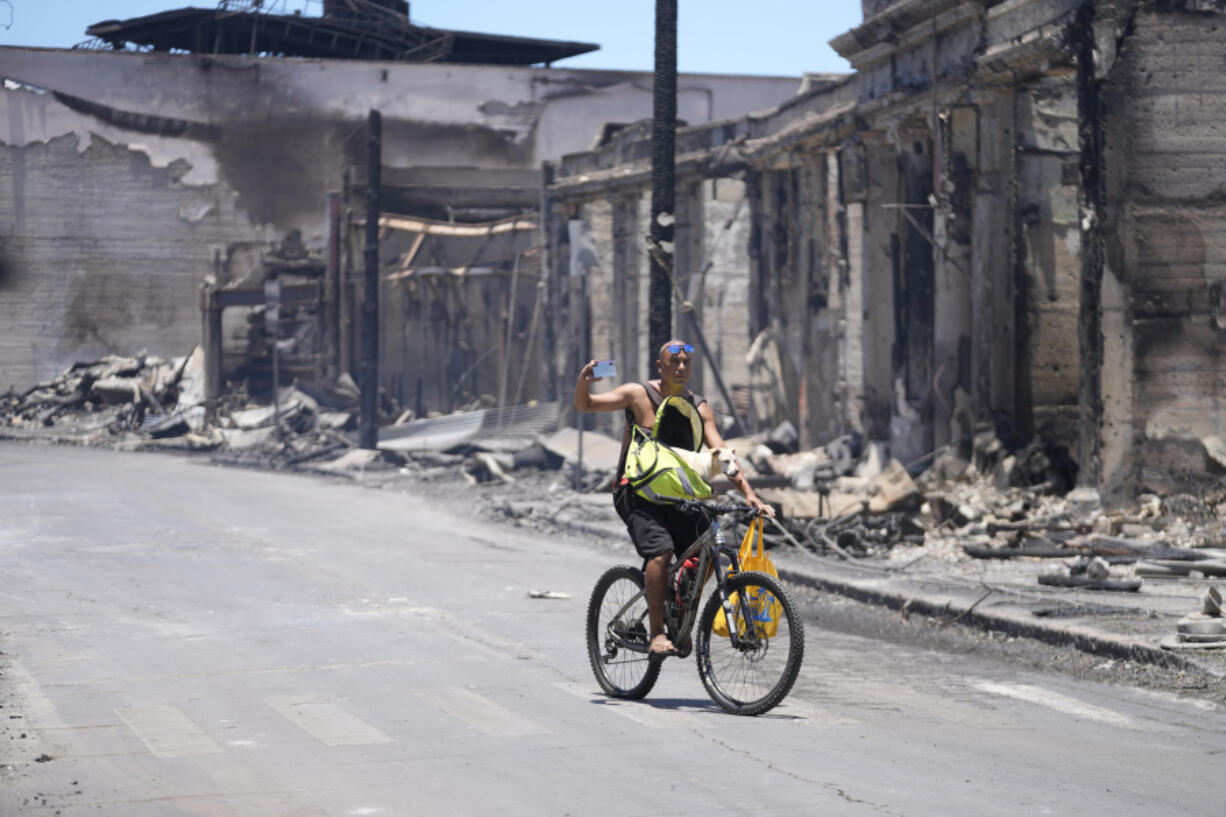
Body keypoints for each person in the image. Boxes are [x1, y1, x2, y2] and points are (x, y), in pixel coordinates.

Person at [574, 340, 775, 656]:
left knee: (710, 542)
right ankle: (657, 635)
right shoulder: (638, 395)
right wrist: (584, 381)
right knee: (661, 551)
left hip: (677, 494)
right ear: (660, 366)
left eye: (686, 362)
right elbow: (586, 405)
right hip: (636, 492)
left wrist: (750, 494)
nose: (681, 368)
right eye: (674, 362)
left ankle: (682, 612)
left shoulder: (699, 406)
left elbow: (721, 453)